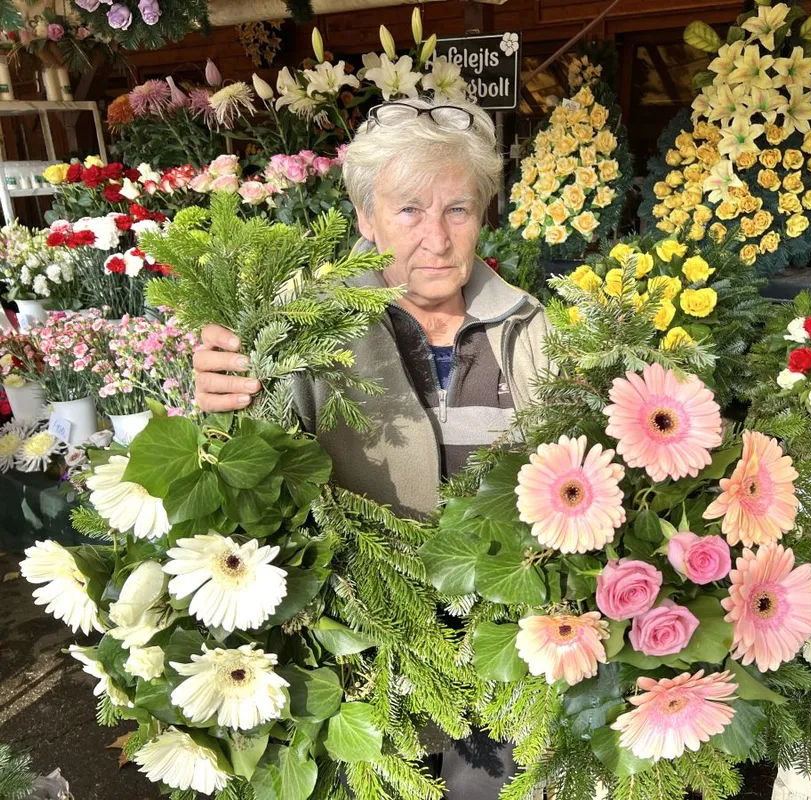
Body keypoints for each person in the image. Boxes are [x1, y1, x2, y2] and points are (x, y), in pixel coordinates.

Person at [192, 97, 549, 797]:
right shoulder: (299, 325)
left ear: (482, 214)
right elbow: (244, 465)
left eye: (457, 209)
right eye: (409, 210)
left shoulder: (529, 327)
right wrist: (214, 392)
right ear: (365, 217)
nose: (436, 239)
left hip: (506, 658)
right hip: (365, 662)